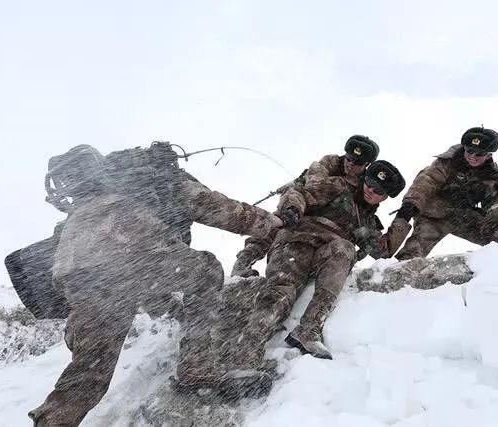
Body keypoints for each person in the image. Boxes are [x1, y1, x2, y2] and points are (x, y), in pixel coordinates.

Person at [27, 142, 283, 427]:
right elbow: (229, 213)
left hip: (78, 274)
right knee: (207, 269)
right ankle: (197, 368)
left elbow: (139, 286)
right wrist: (274, 224)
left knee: (90, 371)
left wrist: (172, 309)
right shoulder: (166, 181)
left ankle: (53, 420)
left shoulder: (90, 201)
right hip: (129, 256)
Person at [220, 160, 408, 394]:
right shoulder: (337, 186)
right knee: (281, 292)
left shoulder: (368, 222)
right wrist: (292, 209)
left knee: (346, 248)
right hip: (297, 240)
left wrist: (403, 218)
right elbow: (301, 193)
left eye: (379, 190)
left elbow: (383, 250)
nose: (371, 190)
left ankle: (308, 329)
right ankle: (243, 362)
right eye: (369, 183)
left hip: (328, 252)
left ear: (384, 197)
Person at [391, 127, 498, 260]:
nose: (473, 157)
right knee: (413, 252)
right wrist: (410, 205)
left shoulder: (493, 177)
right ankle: (397, 280)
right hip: (434, 216)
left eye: (479, 154)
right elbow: (426, 182)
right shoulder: (445, 163)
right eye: (469, 151)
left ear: (489, 154)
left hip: (464, 218)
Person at [230, 135, 380, 278]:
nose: (350, 164)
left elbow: (366, 210)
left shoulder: (367, 184)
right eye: (349, 158)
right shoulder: (330, 162)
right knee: (278, 221)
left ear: (367, 165)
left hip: (330, 224)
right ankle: (244, 260)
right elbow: (313, 185)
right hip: (307, 204)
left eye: (358, 162)